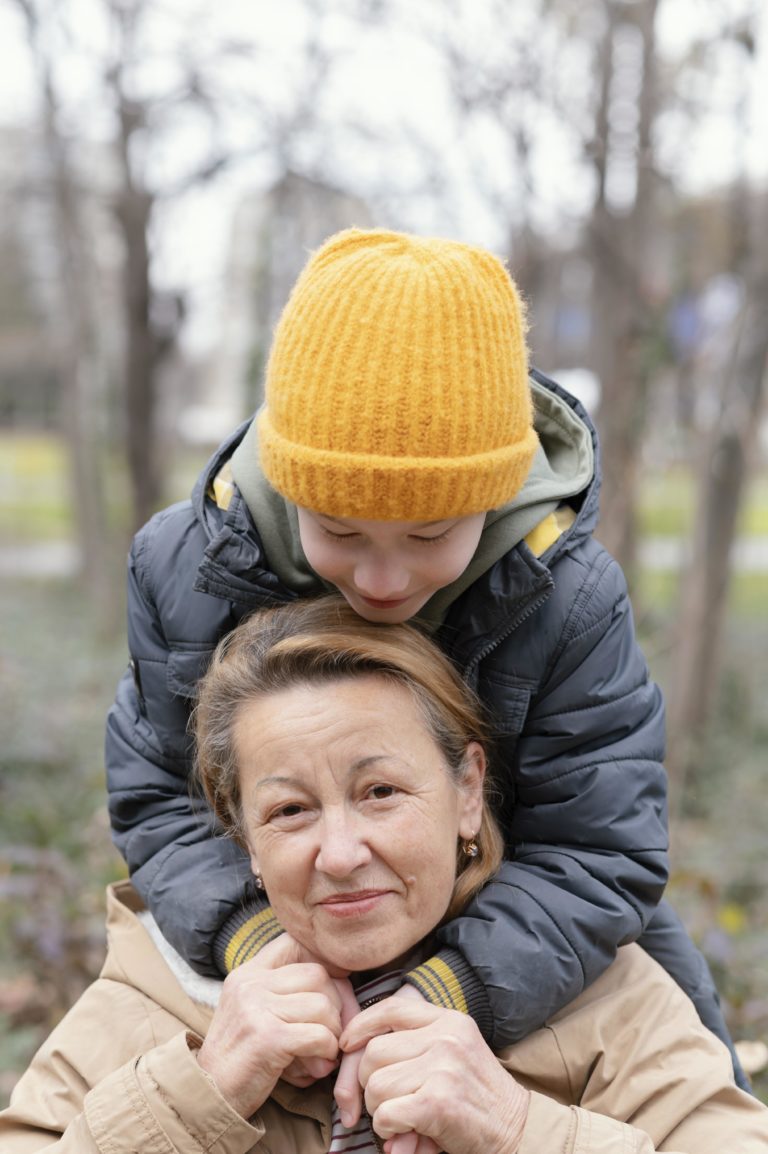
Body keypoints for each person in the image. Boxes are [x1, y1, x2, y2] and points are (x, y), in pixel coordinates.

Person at [105, 226, 747, 1086]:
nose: (379, 577)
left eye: (429, 535)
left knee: (694, 1068)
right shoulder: (182, 565)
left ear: (492, 498)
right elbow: (160, 797)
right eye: (338, 531)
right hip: (283, 920)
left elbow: (600, 849)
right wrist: (260, 944)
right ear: (294, 487)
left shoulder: (571, 598)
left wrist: (451, 990)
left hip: (518, 928)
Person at [3, 598, 766, 1153]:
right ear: (243, 838)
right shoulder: (156, 996)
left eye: (380, 793)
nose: (339, 853)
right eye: (291, 811)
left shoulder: (609, 1002)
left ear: (467, 792)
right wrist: (203, 1089)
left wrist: (516, 1127)